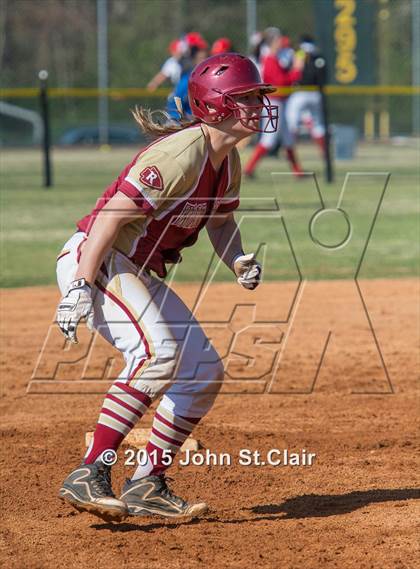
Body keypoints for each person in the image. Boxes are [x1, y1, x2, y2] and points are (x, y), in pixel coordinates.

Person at [56, 53, 278, 523]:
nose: (259, 105)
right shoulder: (179, 154)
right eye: (248, 97)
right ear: (217, 106)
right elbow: (111, 217)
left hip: (131, 269)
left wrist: (236, 258)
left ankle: (146, 484)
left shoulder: (226, 159)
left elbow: (220, 222)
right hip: (96, 258)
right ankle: (90, 470)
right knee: (158, 352)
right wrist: (78, 285)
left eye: (259, 96)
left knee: (202, 370)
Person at [244, 28, 304, 178]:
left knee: (288, 138)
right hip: (274, 102)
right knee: (269, 139)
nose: (280, 43)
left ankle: (297, 171)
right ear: (272, 43)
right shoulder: (270, 59)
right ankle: (248, 169)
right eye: (277, 41)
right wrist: (296, 70)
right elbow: (281, 83)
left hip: (278, 102)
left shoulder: (273, 58)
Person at [285, 34, 328, 155]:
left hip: (300, 93)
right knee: (318, 125)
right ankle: (325, 152)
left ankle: (289, 151)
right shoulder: (318, 55)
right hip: (316, 93)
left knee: (291, 122)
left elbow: (292, 70)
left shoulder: (299, 53)